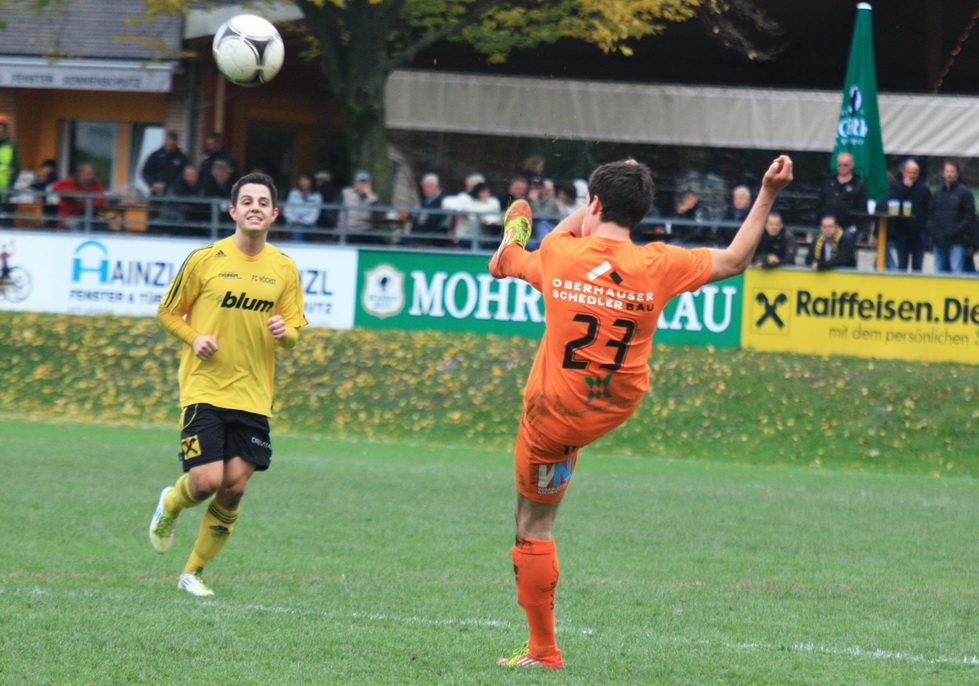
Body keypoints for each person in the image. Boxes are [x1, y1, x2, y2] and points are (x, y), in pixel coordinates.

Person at [487, 155, 794, 670]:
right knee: (560, 456)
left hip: (555, 415)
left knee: (532, 526)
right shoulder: (659, 263)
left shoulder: (560, 252)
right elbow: (736, 259)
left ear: (594, 204)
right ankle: (511, 250)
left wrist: (519, 238)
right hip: (616, 400)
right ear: (641, 213)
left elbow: (543, 246)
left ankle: (543, 652)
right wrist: (768, 191)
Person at [150, 171, 307, 597]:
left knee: (233, 488)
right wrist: (194, 337)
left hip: (254, 396)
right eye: (248, 201)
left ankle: (192, 573)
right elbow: (167, 312)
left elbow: (294, 330)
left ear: (274, 214)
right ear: (233, 211)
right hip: (205, 388)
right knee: (205, 482)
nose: (256, 208)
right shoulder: (205, 259)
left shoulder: (284, 268)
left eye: (263, 203)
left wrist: (285, 332)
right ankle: (170, 504)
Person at [929, 160, 974, 274]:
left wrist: (956, 231)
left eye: (952, 171)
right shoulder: (938, 193)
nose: (949, 174)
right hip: (939, 241)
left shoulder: (965, 193)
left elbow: (969, 217)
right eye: (947, 171)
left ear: (957, 174)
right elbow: (932, 214)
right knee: (939, 272)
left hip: (957, 241)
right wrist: (933, 232)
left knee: (956, 272)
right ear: (943, 173)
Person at [885, 159, 931, 272]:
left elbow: (930, 210)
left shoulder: (923, 190)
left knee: (917, 266)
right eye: (909, 172)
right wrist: (905, 188)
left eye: (914, 173)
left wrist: (927, 230)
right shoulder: (896, 187)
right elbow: (891, 204)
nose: (911, 175)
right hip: (902, 233)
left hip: (919, 234)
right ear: (904, 172)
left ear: (918, 174)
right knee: (902, 266)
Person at [817, 151, 868, 239]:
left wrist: (857, 227)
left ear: (852, 165)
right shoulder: (829, 182)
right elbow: (821, 202)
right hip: (827, 225)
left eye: (846, 165)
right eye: (840, 165)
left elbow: (862, 209)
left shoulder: (858, 185)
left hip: (847, 227)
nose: (842, 167)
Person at [49, 163, 106, 229]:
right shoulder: (69, 182)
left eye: (92, 174)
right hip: (69, 218)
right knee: (77, 224)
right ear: (81, 174)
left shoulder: (96, 184)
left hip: (89, 216)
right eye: (89, 174)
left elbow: (102, 201)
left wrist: (85, 203)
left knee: (102, 224)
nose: (91, 176)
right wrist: (73, 195)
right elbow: (52, 187)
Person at [340, 170, 382, 238]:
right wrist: (336, 222)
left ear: (369, 184)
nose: (363, 185)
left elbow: (378, 216)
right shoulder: (345, 193)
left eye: (365, 182)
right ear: (355, 183)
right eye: (360, 182)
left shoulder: (374, 197)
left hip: (365, 231)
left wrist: (370, 195)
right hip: (347, 229)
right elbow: (331, 209)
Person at [409, 172, 450, 242]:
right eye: (424, 187)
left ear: (436, 186)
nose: (425, 189)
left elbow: (434, 222)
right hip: (421, 233)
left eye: (428, 186)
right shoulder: (426, 199)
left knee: (403, 241)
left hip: (433, 235)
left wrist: (417, 231)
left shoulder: (441, 201)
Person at [282, 174, 323, 241]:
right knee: (296, 229)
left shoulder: (316, 196)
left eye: (306, 181)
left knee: (298, 230)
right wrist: (293, 219)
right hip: (292, 222)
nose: (303, 183)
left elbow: (315, 214)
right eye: (302, 181)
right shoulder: (293, 193)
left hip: (308, 224)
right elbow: (287, 209)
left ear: (311, 182)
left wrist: (302, 221)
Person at [0, 114, 21, 217]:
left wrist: (10, 184)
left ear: (5, 129)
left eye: (1, 127)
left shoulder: (11, 146)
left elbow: (17, 167)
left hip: (5, 190)